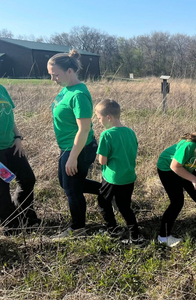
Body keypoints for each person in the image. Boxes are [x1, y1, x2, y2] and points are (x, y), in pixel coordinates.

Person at [48, 50, 101, 237]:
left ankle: (78, 228)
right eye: (50, 75)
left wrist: (73, 157)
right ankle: (108, 191)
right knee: (65, 182)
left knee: (72, 189)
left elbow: (84, 130)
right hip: (67, 147)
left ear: (70, 71)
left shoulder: (78, 94)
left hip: (79, 148)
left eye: (56, 74)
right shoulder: (65, 89)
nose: (53, 79)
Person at [94, 99, 144, 245]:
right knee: (125, 207)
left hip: (112, 178)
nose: (99, 121)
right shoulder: (130, 132)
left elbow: (102, 161)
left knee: (103, 202)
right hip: (128, 176)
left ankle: (113, 229)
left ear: (108, 117)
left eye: (99, 118)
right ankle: (135, 236)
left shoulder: (106, 135)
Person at [0, 84, 40, 234]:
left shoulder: (1, 89)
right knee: (2, 188)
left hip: (12, 146)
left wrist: (17, 137)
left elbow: (9, 116)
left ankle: (26, 216)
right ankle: (11, 225)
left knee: (28, 179)